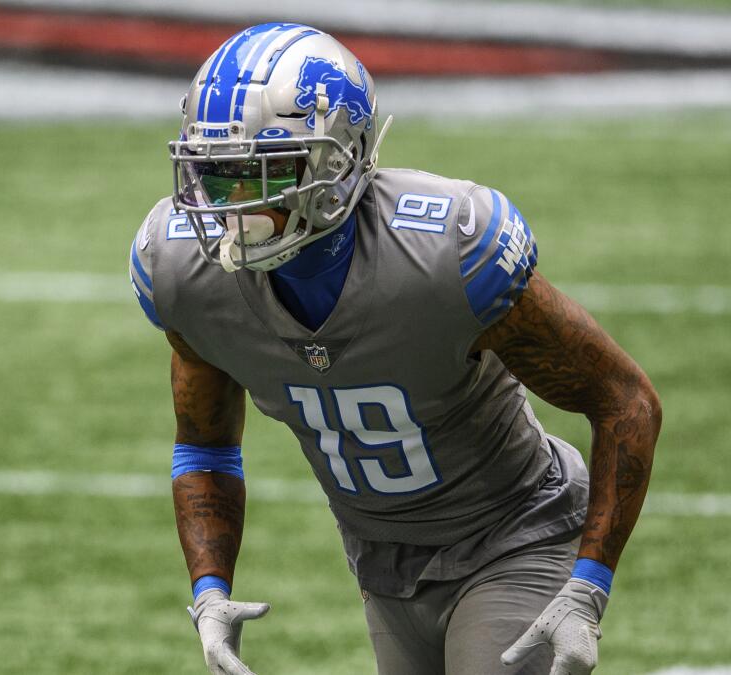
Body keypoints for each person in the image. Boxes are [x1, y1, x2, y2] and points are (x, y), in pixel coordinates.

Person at [128, 23, 661, 675]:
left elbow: (625, 399)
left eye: (258, 175)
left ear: (334, 166)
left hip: (515, 536)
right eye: (215, 176)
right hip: (383, 565)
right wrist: (208, 591)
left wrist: (587, 584)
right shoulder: (184, 271)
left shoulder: (444, 254)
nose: (227, 204)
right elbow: (204, 443)